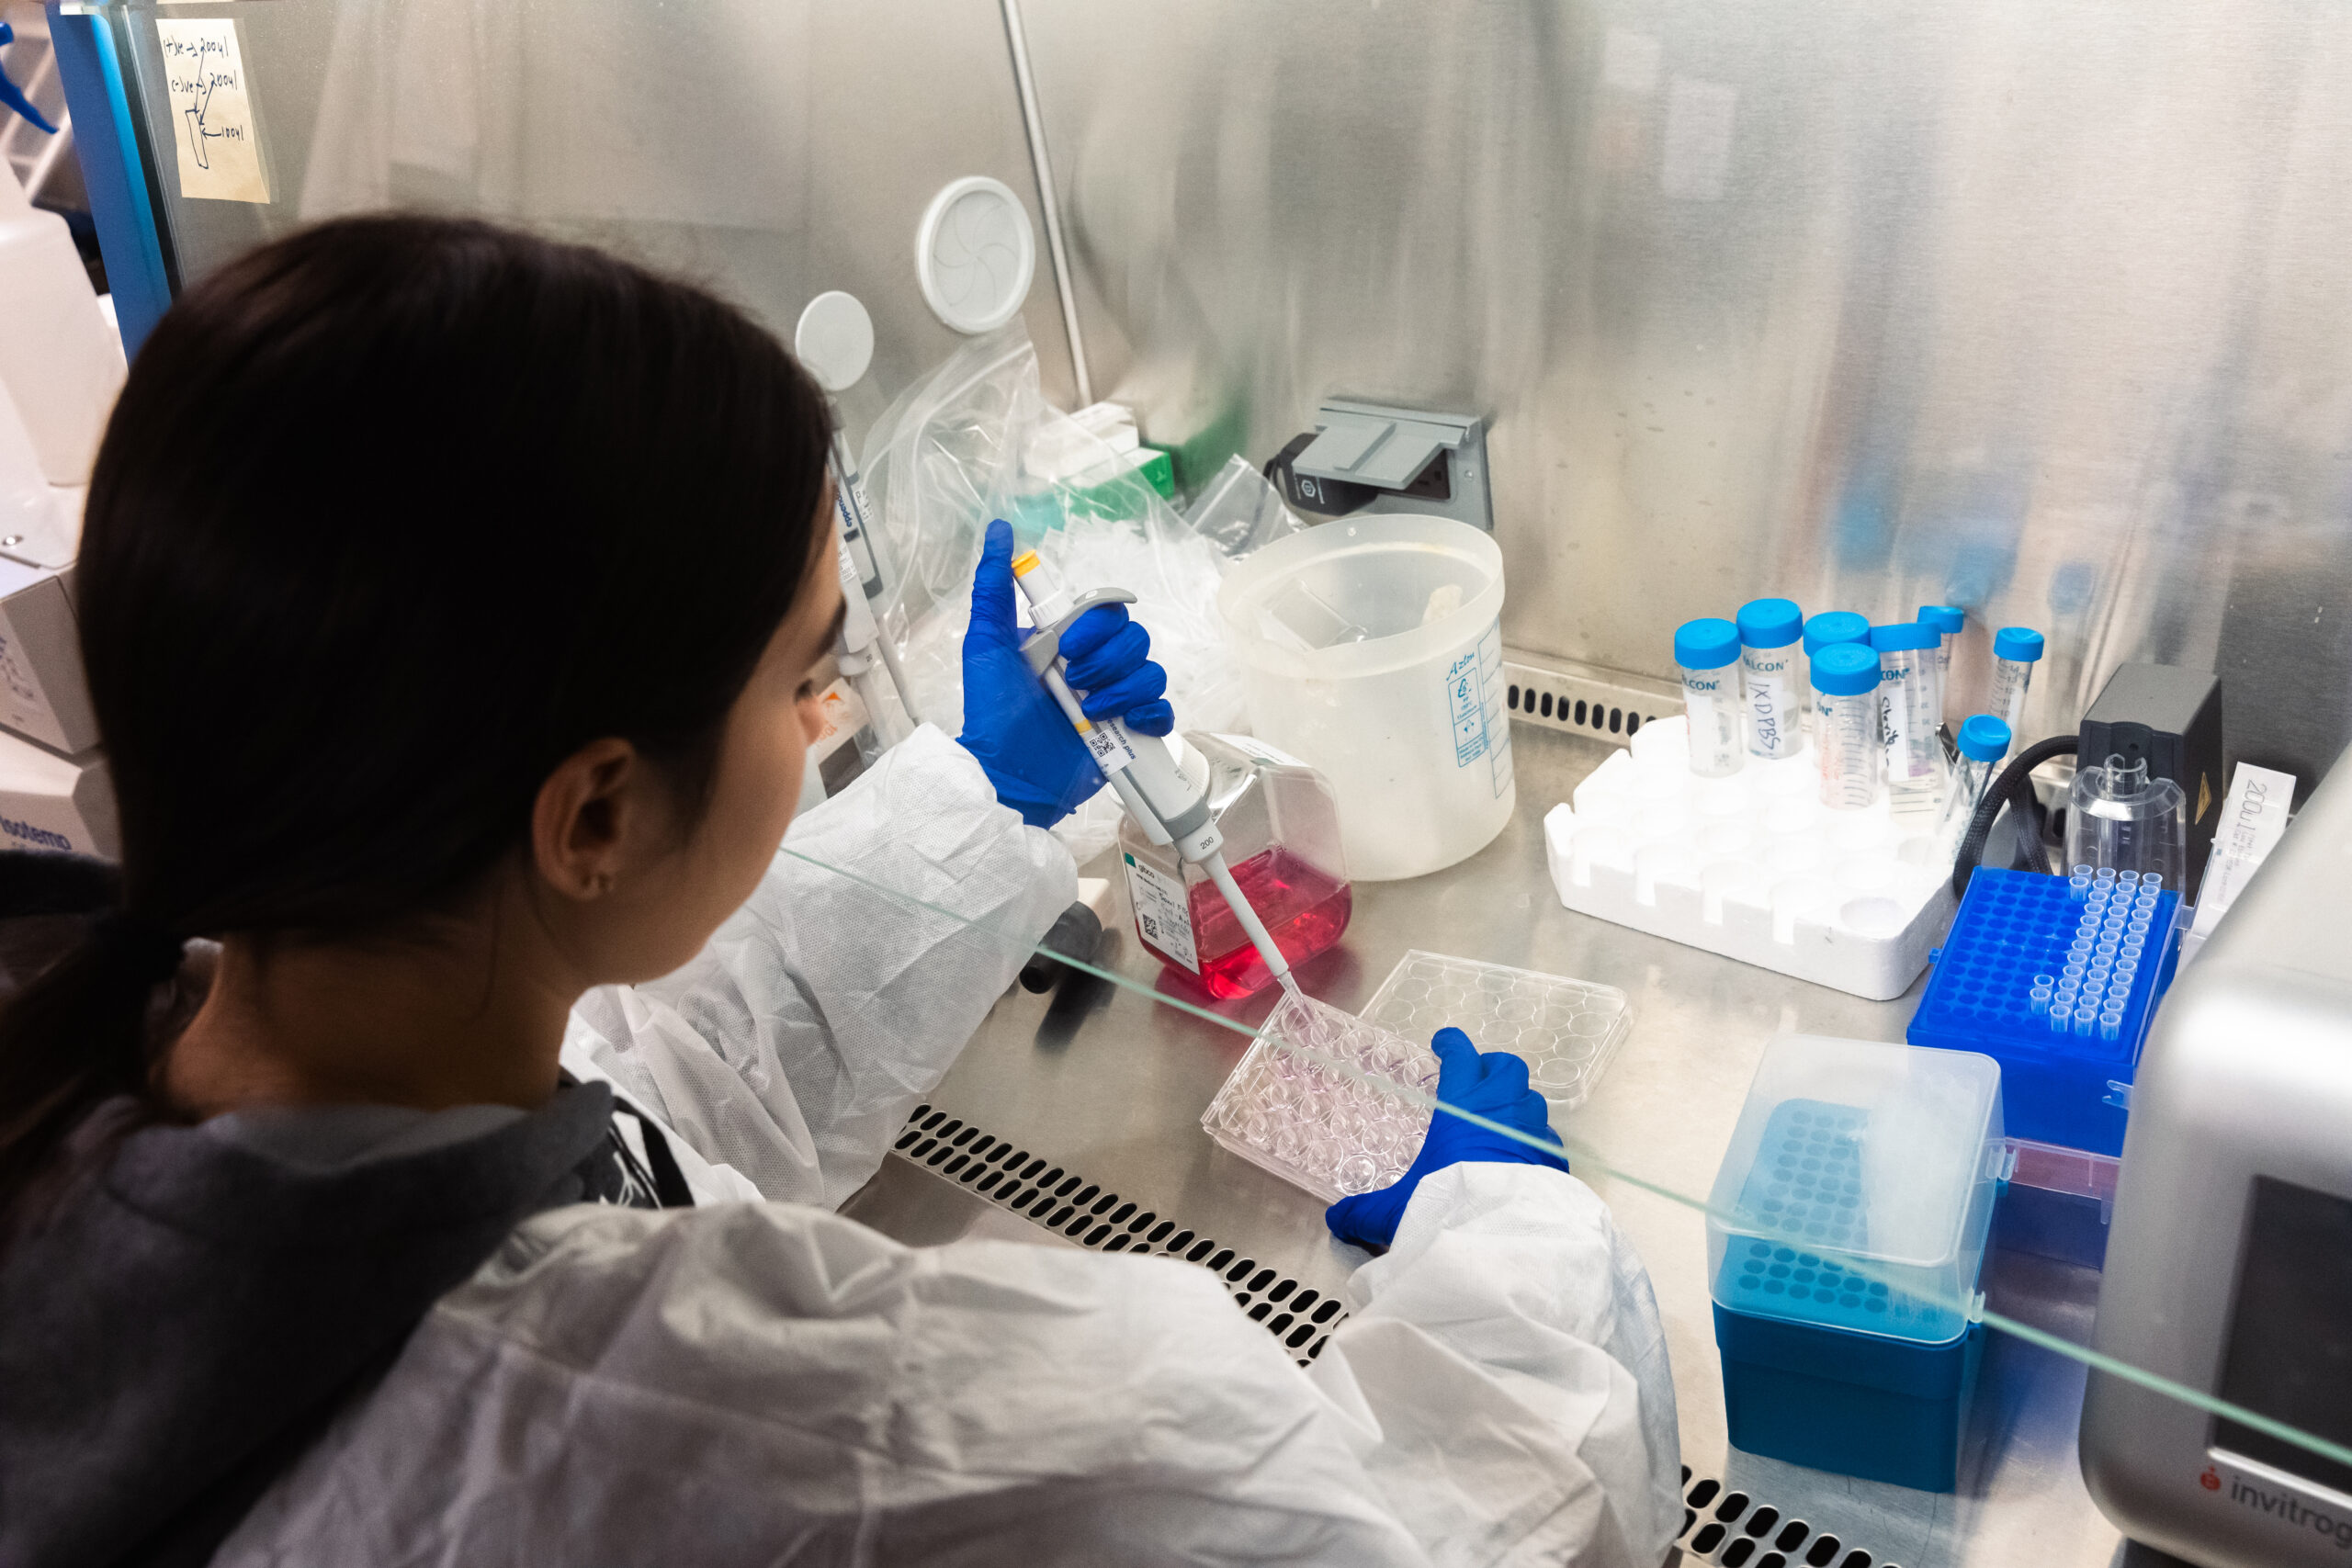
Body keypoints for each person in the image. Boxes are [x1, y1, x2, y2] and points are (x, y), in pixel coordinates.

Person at [0, 216, 1679, 1567]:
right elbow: (1416, 1532)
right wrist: (1514, 1249)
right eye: (808, 679)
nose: (830, 720)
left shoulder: (129, 1091)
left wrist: (989, 793)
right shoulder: (779, 1439)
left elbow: (660, 1089)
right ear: (594, 814)